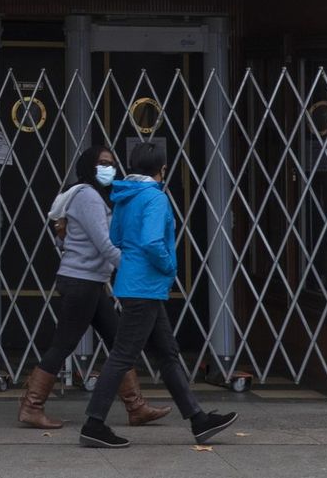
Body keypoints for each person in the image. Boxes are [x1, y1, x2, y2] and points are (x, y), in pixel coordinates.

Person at [78, 141, 237, 450]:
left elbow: (116, 237)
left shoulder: (124, 195)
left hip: (133, 284)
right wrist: (169, 266)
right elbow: (152, 242)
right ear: (161, 169)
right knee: (123, 355)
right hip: (146, 286)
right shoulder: (155, 198)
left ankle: (198, 419)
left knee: (167, 354)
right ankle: (93, 423)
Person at [17, 145, 172, 430]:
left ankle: (135, 407)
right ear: (89, 165)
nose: (108, 169)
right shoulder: (87, 196)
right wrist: (134, 270)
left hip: (91, 281)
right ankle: (31, 406)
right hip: (81, 282)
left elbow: (70, 240)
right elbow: (104, 244)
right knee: (64, 344)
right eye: (102, 163)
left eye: (111, 164)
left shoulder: (93, 196)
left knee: (117, 341)